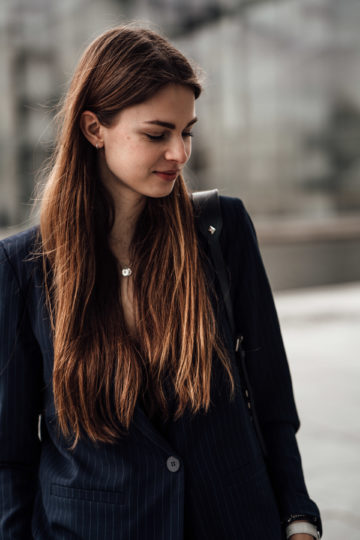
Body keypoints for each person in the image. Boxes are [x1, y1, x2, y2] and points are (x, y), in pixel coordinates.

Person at [0, 26, 322, 539]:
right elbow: (8, 457)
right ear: (93, 128)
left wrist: (299, 519)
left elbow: (271, 400)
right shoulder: (21, 267)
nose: (179, 153)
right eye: (157, 134)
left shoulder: (223, 230)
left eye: (187, 131)